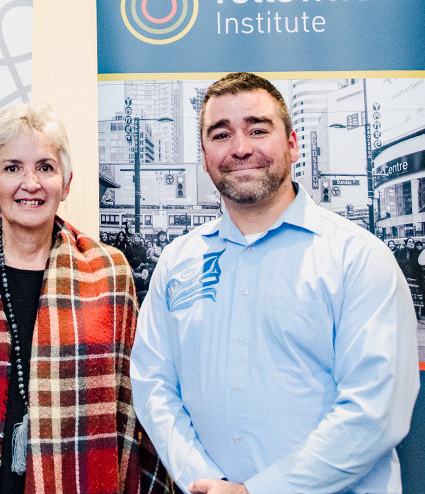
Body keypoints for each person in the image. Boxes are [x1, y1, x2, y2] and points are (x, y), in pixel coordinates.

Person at [131, 72, 419, 494]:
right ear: (205, 154)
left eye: (258, 129)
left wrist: (260, 490)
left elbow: (374, 410)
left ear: (293, 144)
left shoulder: (357, 257)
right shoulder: (178, 261)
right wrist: (203, 479)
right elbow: (154, 383)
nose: (241, 148)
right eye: (221, 134)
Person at [0, 102, 168, 494]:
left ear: (66, 183)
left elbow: (133, 410)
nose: (30, 183)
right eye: (12, 168)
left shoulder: (110, 273)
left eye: (45, 167)